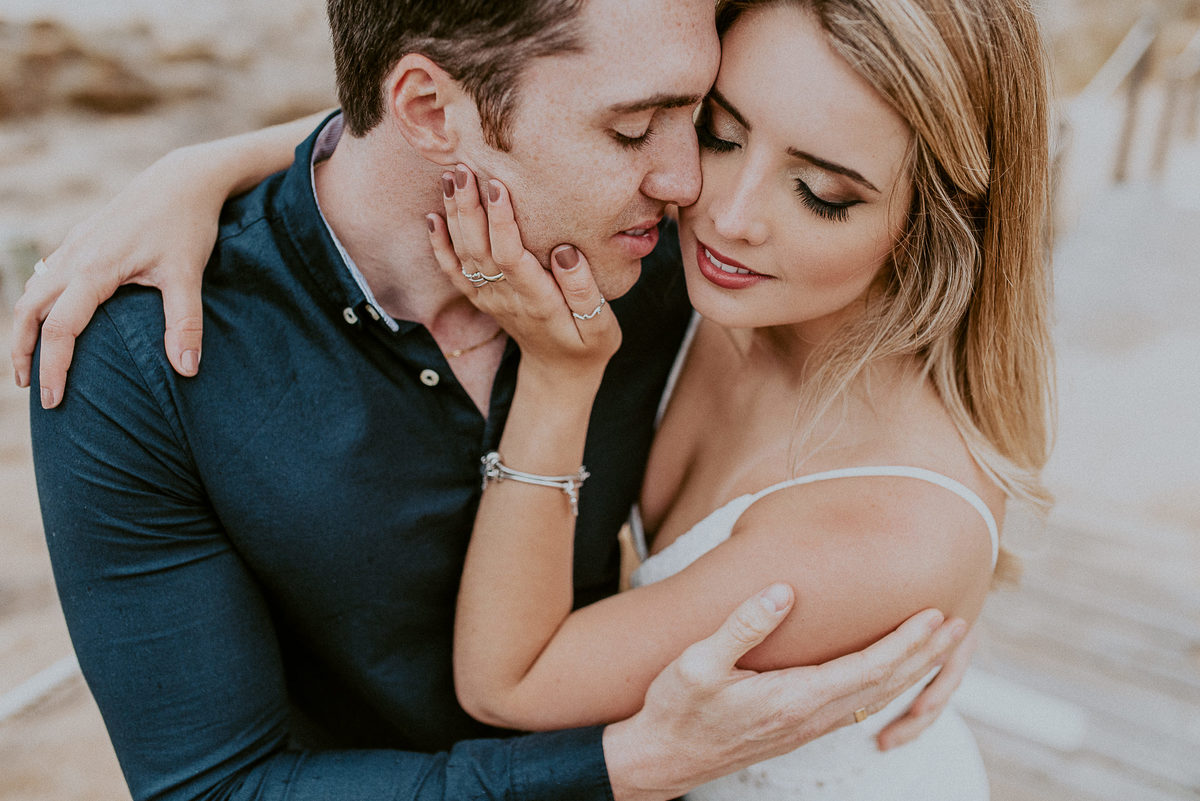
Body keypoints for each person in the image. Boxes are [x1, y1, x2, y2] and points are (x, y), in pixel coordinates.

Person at [17, 2, 972, 801]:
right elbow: (210, 790)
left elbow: (923, 267)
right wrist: (625, 763)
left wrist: (924, 572)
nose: (693, 183)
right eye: (636, 128)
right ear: (429, 109)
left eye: (701, 117)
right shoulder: (140, 362)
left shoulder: (685, 255)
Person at [424, 0, 1053, 798]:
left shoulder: (892, 530)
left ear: (936, 221)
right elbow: (448, 115)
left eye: (822, 193)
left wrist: (559, 375)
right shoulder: (730, 284)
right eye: (719, 133)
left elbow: (510, 681)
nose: (726, 214)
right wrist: (222, 168)